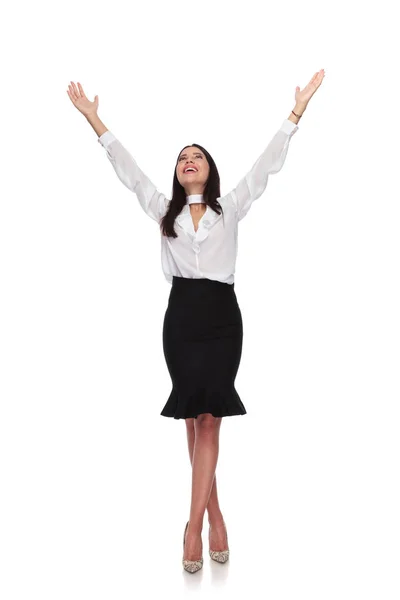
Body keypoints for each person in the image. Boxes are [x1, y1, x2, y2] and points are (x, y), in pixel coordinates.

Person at [67, 69, 325, 573]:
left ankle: (193, 528)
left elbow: (266, 166)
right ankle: (215, 514)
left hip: (222, 319)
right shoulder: (164, 211)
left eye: (197, 156)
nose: (189, 161)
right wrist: (96, 121)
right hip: (181, 318)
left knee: (211, 415)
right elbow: (129, 171)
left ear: (210, 170)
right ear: (178, 173)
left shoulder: (231, 207)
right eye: (182, 158)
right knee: (192, 415)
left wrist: (296, 112)